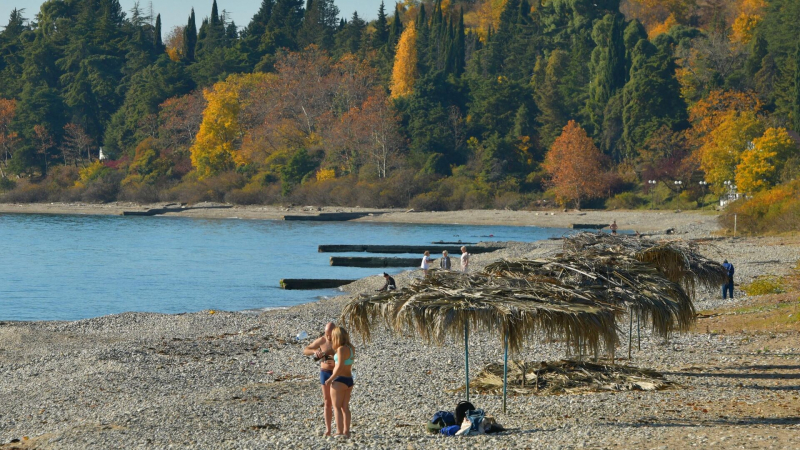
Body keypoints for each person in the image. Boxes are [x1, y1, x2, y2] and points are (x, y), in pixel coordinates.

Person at [303, 322, 336, 436]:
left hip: (337, 373)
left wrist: (336, 361)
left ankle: (341, 428)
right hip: (325, 372)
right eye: (326, 334)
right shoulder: (322, 340)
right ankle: (328, 429)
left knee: (338, 402)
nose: (328, 337)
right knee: (327, 401)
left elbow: (349, 355)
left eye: (330, 334)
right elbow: (306, 350)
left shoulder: (340, 341)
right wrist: (314, 351)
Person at [325, 326, 355, 438]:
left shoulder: (341, 349)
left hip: (340, 380)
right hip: (349, 379)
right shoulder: (351, 347)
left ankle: (339, 431)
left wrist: (330, 378)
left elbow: (340, 366)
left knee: (336, 406)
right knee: (345, 407)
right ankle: (347, 431)